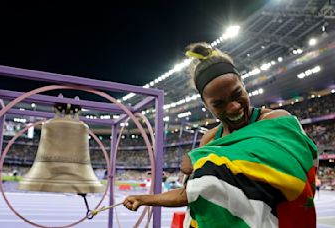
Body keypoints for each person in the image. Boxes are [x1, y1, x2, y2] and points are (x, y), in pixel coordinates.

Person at [123, 42, 318, 227]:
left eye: (236, 94)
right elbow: (193, 192)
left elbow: (295, 178)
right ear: (206, 105)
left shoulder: (275, 121)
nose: (233, 107)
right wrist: (143, 199)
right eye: (219, 103)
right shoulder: (208, 139)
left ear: (244, 85)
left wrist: (200, 159)